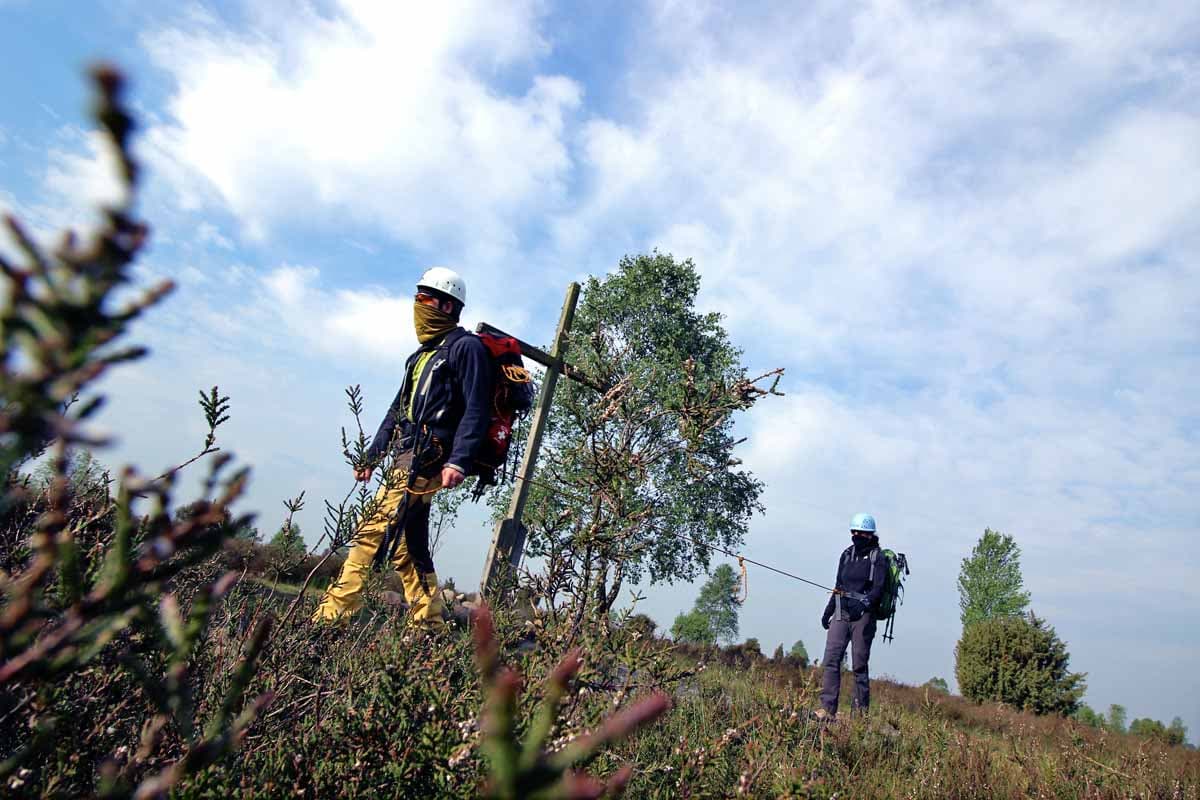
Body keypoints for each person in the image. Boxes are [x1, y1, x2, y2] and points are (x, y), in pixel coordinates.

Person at [312, 267, 492, 629]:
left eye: (424, 299)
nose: (417, 305)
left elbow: (478, 407)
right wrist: (373, 456)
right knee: (408, 549)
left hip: (430, 459)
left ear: (445, 306)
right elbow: (397, 411)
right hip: (404, 456)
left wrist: (459, 460)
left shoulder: (466, 348)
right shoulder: (421, 356)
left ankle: (332, 617)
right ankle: (430, 625)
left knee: (370, 533)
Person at [817, 513, 886, 719]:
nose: (856, 535)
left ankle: (859, 715)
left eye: (861, 533)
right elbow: (838, 585)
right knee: (831, 658)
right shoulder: (846, 555)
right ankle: (827, 708)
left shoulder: (877, 558)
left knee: (858, 664)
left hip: (863, 616)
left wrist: (863, 605)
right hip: (841, 610)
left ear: (869, 534)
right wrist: (828, 611)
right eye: (853, 532)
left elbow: (878, 589)